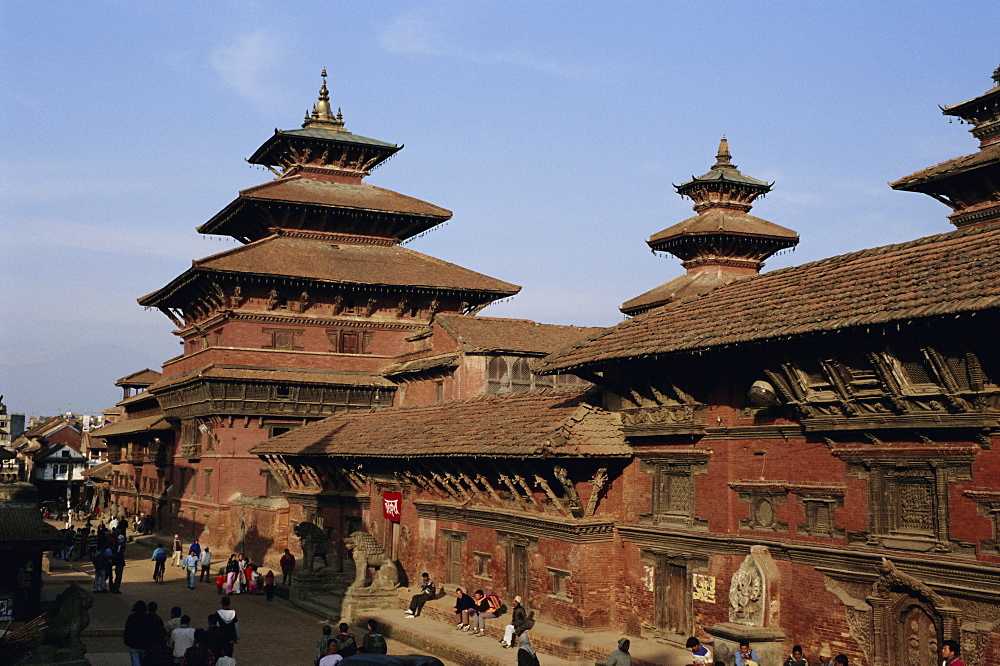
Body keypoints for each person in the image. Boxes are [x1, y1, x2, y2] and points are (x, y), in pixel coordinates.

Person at [124, 600, 155, 666]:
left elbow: (127, 630)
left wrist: (127, 641)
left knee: (135, 662)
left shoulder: (131, 617)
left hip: (133, 644)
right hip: (145, 644)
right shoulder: (148, 617)